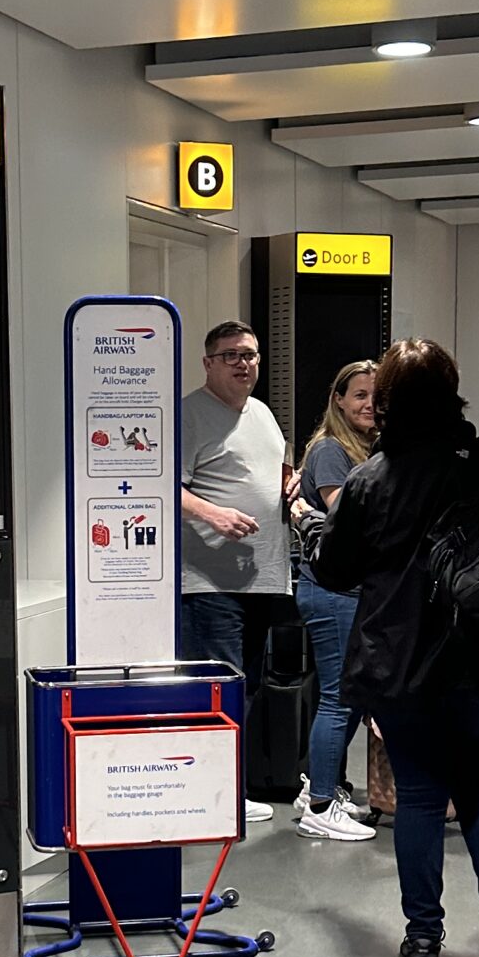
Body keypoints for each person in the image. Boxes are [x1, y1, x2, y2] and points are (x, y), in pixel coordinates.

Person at [315, 338, 479, 957]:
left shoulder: (371, 481)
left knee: (422, 796)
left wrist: (317, 530)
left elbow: (335, 569)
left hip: (403, 665)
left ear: (388, 402)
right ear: (453, 393)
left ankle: (425, 940)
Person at [179, 318, 293, 824]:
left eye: (249, 354)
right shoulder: (189, 415)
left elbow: (267, 472)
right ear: (208, 363)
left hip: (262, 578)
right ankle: (214, 797)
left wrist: (290, 484)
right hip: (210, 582)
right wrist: (213, 514)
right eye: (231, 356)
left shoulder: (262, 413)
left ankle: (227, 791)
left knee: (244, 689)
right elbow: (160, 484)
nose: (243, 363)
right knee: (218, 689)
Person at [291, 359, 379, 842]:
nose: (369, 404)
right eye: (360, 395)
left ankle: (319, 789)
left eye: (376, 395)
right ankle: (322, 805)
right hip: (331, 592)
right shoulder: (330, 450)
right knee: (339, 699)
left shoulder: (366, 449)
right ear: (339, 401)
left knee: (350, 697)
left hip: (351, 591)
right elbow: (350, 518)